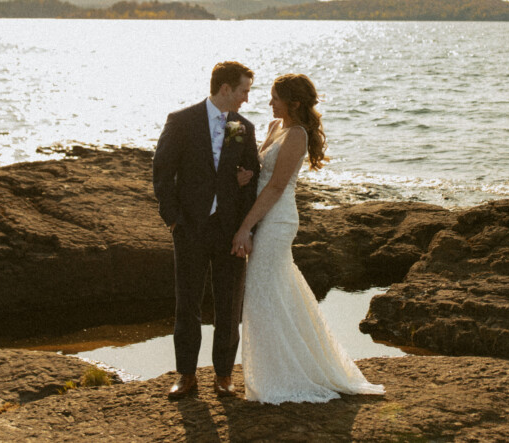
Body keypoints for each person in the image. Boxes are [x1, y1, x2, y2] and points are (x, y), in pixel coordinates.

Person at [230, 73, 384, 404]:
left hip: (276, 219)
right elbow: (261, 175)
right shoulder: (274, 127)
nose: (270, 102)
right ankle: (285, 366)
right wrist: (245, 175)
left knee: (263, 294)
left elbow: (275, 187)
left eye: (275, 97)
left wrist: (245, 227)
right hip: (262, 214)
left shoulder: (297, 135)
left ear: (294, 102)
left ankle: (284, 376)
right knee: (274, 293)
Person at [152, 61, 260, 399]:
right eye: (243, 90)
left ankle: (224, 376)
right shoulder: (181, 121)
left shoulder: (241, 126)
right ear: (225, 89)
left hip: (229, 230)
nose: (246, 98)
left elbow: (251, 171)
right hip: (190, 229)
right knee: (188, 305)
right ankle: (186, 376)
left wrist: (246, 179)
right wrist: (173, 220)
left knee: (228, 307)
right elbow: (162, 173)